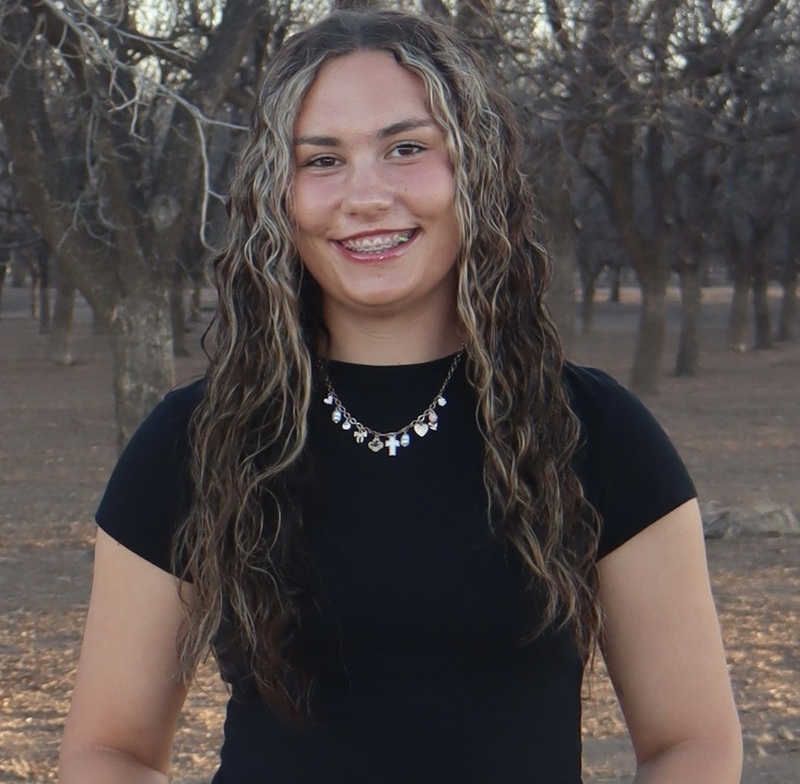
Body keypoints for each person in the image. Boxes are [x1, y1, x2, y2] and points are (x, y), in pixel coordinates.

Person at [58, 9, 742, 784]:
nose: (366, 195)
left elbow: (692, 741)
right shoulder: (192, 439)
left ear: (472, 168)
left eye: (406, 148)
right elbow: (107, 751)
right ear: (277, 196)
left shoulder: (596, 433)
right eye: (321, 160)